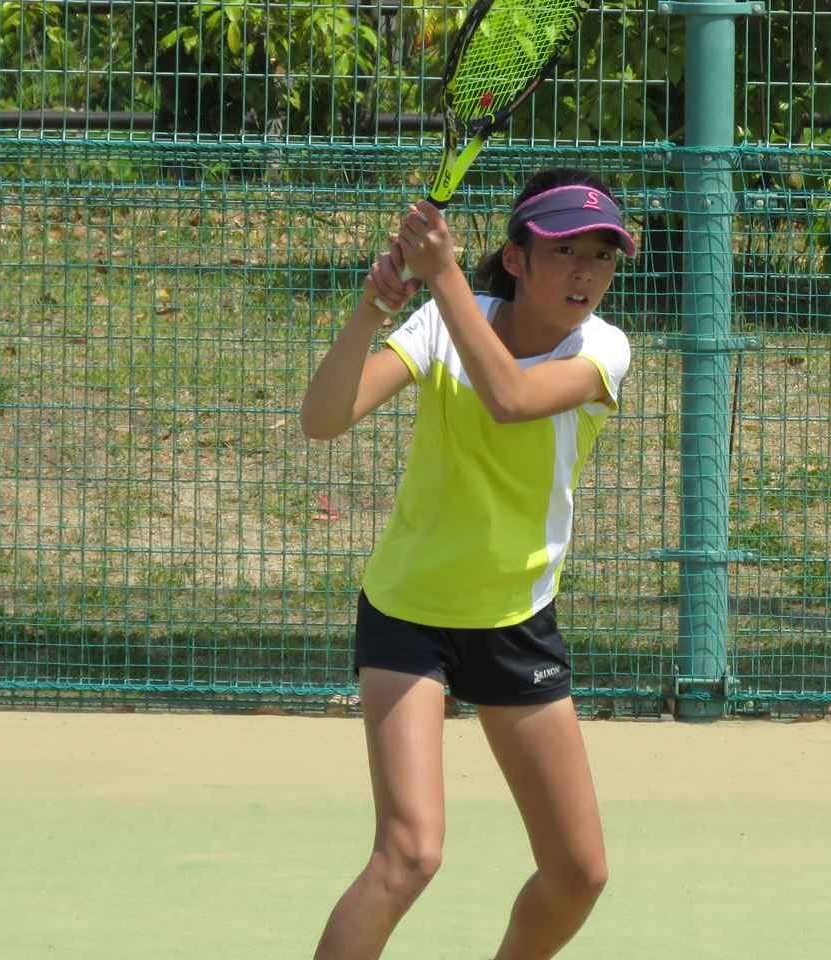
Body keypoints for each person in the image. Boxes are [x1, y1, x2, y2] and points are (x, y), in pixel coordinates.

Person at [300, 167, 636, 960]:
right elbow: (322, 419)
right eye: (564, 251)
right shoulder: (440, 322)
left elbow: (510, 399)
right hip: (409, 613)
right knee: (409, 853)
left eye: (602, 255)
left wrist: (442, 272)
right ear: (516, 259)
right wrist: (374, 306)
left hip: (515, 620)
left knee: (579, 873)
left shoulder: (603, 349)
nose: (585, 272)